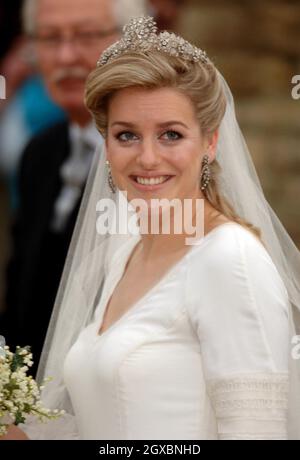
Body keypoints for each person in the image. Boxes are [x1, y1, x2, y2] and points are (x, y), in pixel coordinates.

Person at [5, 16, 300, 440]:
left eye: (171, 135)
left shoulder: (228, 260)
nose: (146, 159)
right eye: (127, 136)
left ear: (210, 142)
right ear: (105, 146)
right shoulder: (123, 252)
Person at [1, 0, 148, 374]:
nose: (66, 56)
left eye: (86, 36)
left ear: (131, 41)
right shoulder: (40, 152)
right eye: (49, 38)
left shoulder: (155, 166)